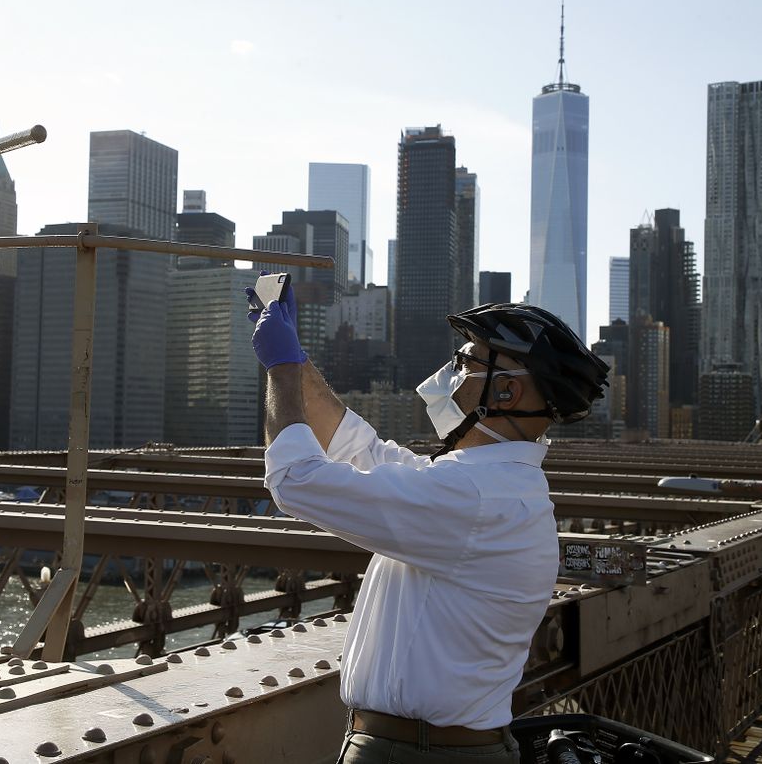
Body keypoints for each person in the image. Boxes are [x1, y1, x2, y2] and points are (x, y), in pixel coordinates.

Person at [246, 283, 609, 764]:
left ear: (507, 390)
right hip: (426, 747)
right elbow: (360, 450)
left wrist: (282, 368)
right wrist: (298, 356)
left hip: (417, 753)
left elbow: (296, 479)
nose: (451, 373)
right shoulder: (488, 488)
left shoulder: (477, 499)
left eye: (467, 362)